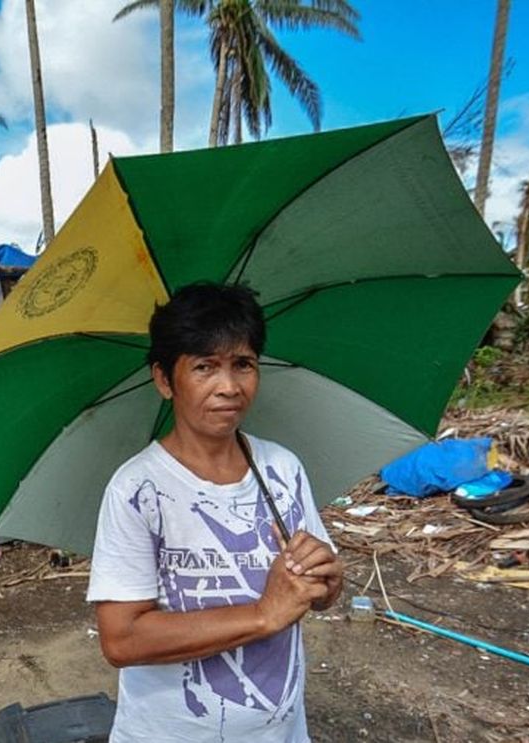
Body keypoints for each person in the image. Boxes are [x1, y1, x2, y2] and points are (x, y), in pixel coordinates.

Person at [87, 282, 344, 742]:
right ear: (165, 380)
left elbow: (319, 593)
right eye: (205, 366)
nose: (229, 387)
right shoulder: (137, 490)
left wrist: (326, 581)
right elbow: (121, 639)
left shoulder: (282, 468)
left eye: (242, 364)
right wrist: (265, 613)